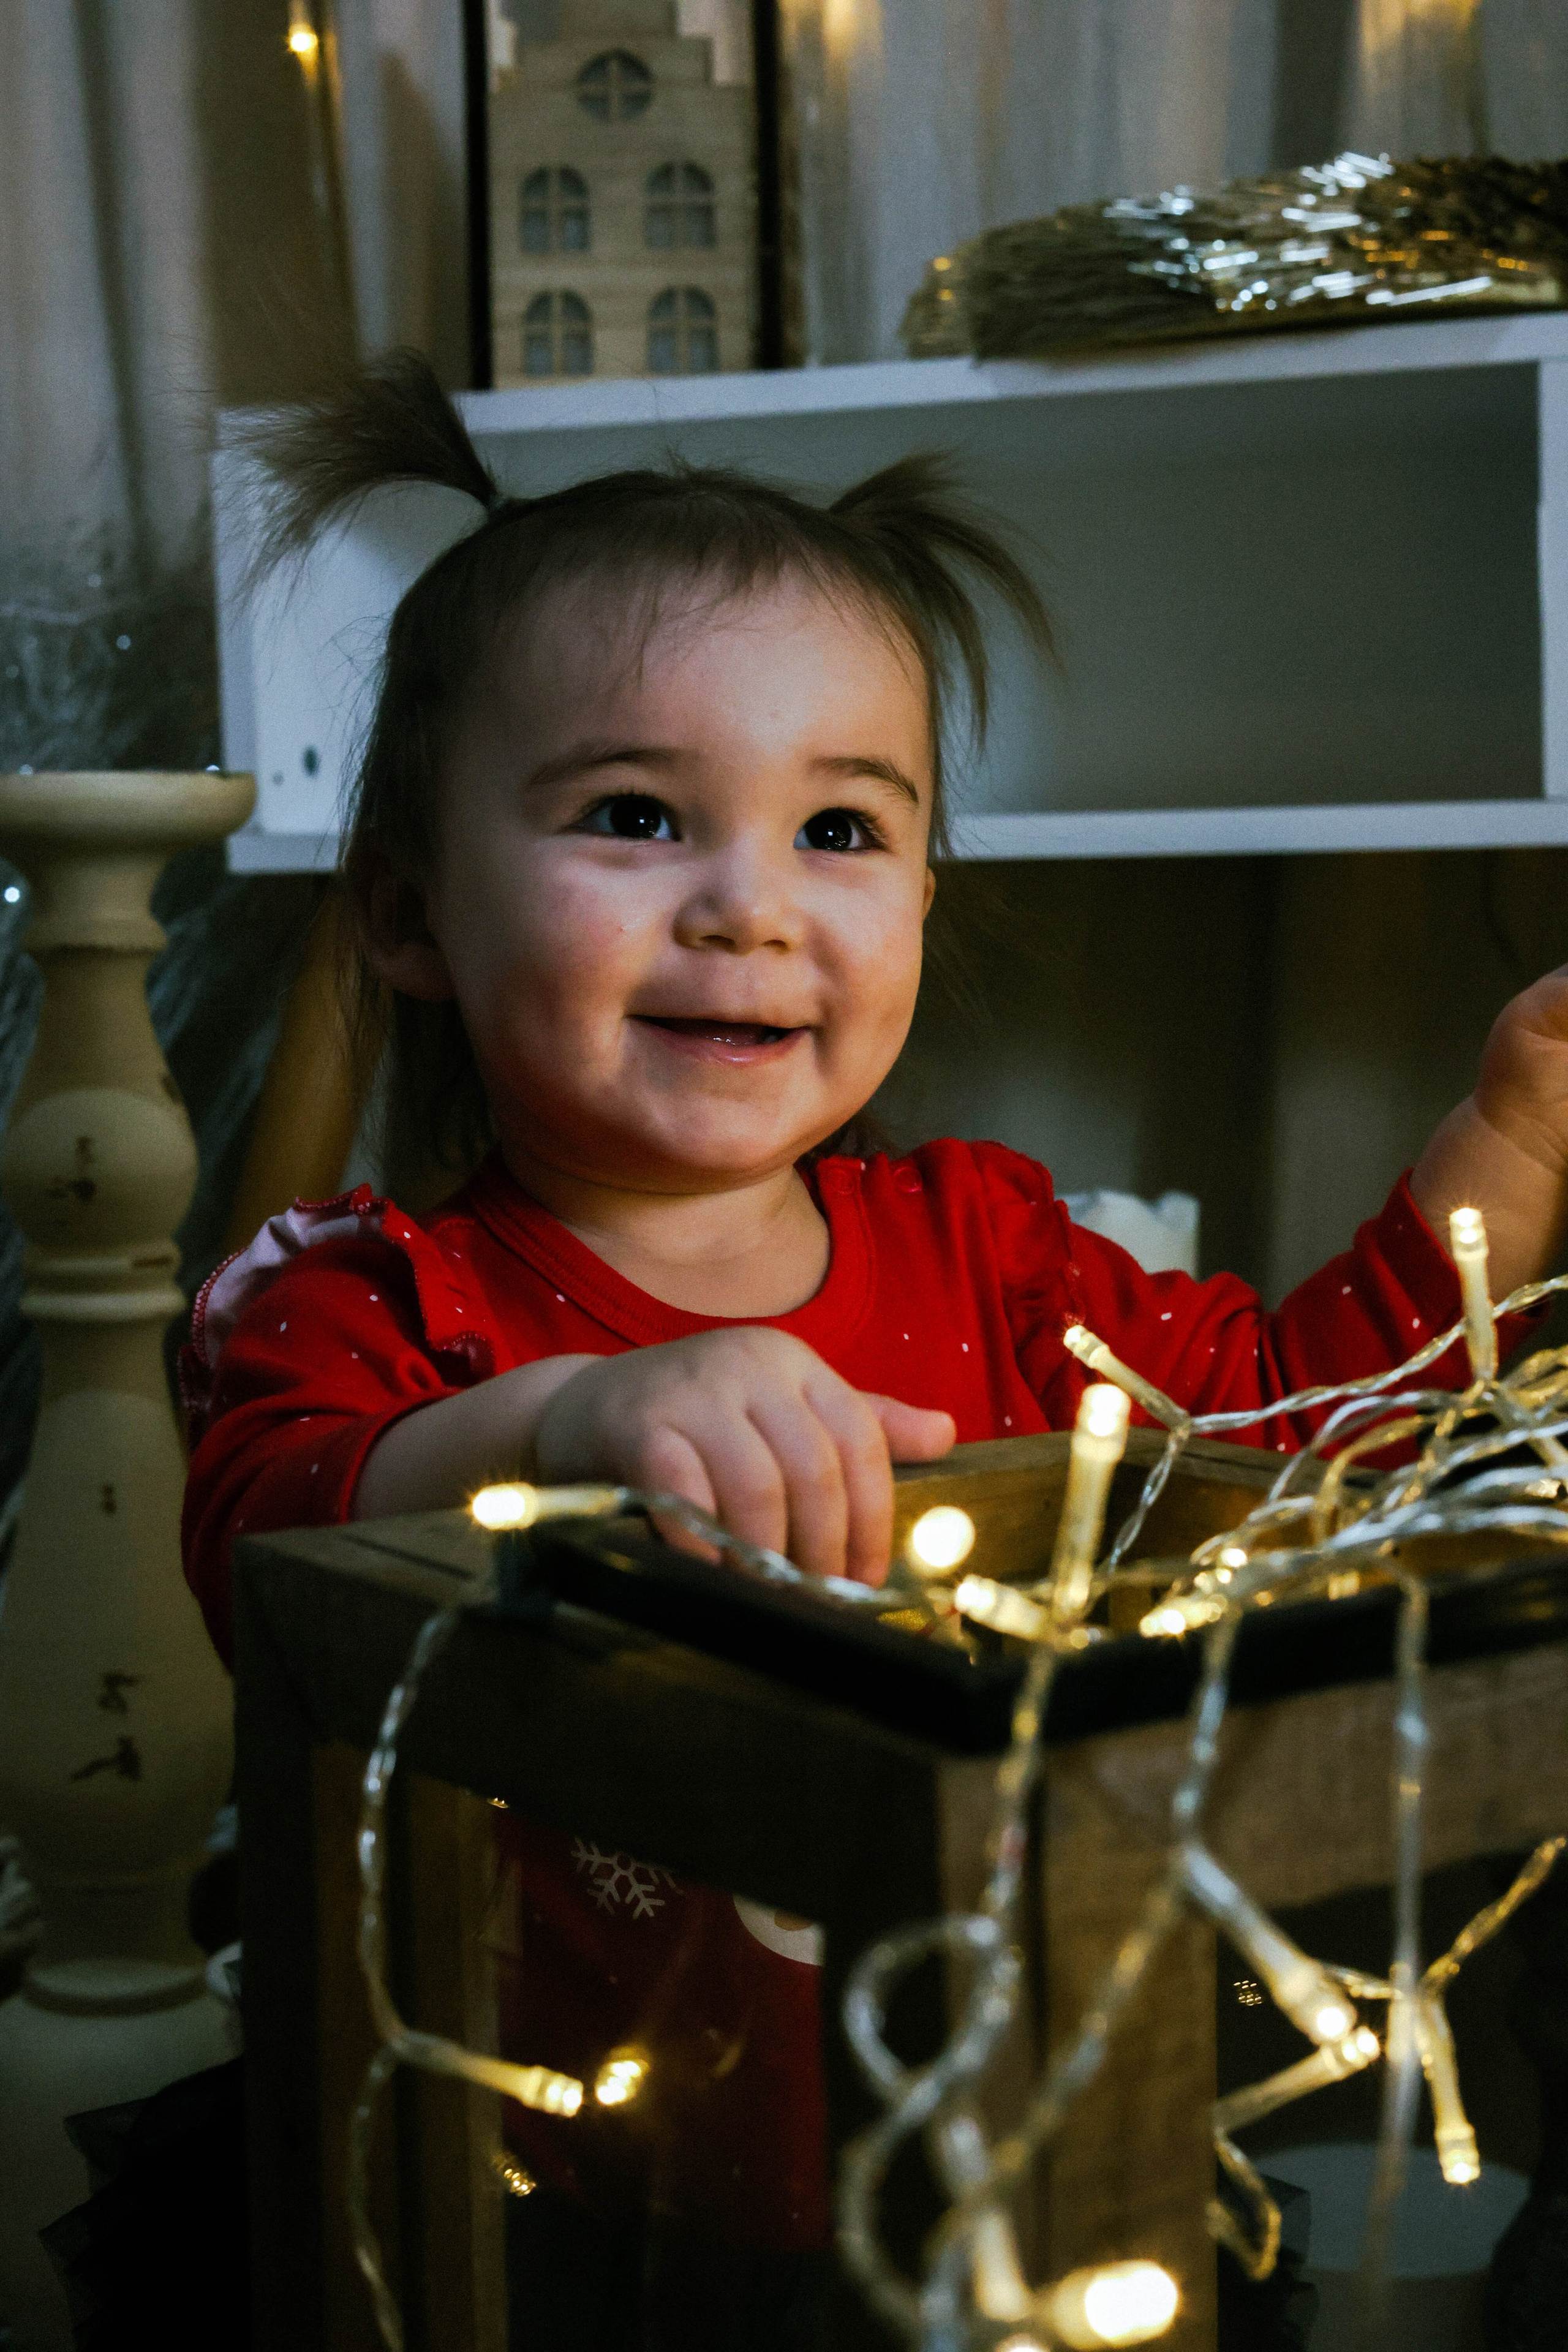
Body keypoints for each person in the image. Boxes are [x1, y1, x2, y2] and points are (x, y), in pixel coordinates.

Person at [182, 353, 1568, 2345]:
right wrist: (572, 1413)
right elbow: (268, 1547)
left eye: (843, 828)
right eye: (640, 815)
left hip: (1034, 2155)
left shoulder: (994, 1252)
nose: (750, 908)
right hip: (556, 2208)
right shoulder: (372, 1297)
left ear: (927, 888)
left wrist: (1514, 1138)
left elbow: (1305, 1443)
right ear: (407, 910)